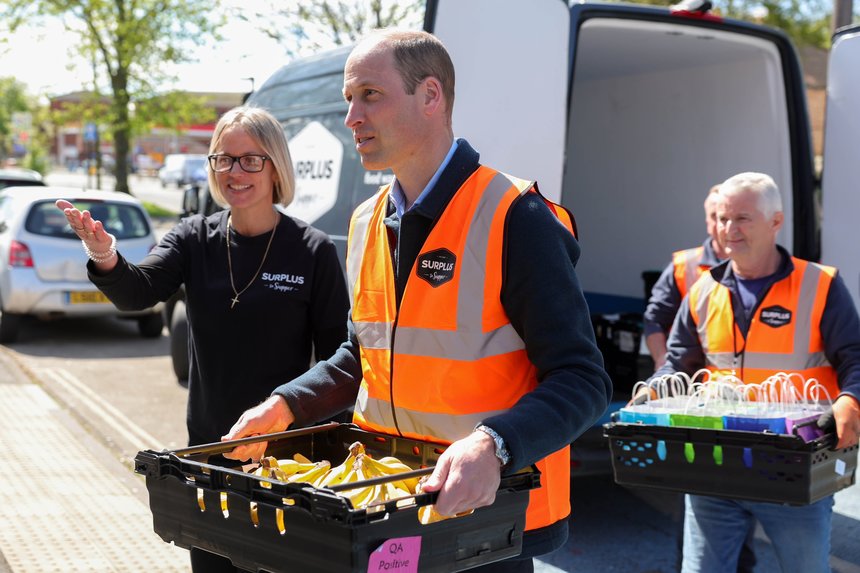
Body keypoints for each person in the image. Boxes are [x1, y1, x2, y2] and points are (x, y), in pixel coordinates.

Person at [222, 29, 612, 572]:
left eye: (370, 95)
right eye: (348, 100)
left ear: (431, 96)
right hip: (388, 509)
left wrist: (494, 444)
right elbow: (365, 355)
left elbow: (584, 380)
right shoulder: (366, 221)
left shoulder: (514, 215)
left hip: (484, 523)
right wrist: (286, 404)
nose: (352, 116)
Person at [56, 106, 350, 573]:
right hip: (209, 459)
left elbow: (340, 361)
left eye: (251, 160)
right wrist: (104, 254)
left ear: (276, 166)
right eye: (223, 159)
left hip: (290, 466)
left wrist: (339, 460)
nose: (235, 172)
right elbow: (138, 290)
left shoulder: (312, 251)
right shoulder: (194, 238)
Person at [652, 172, 860, 573]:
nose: (729, 230)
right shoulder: (702, 291)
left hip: (795, 466)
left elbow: (854, 357)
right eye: (724, 218)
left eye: (743, 219)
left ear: (775, 222)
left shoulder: (819, 286)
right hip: (714, 464)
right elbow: (678, 362)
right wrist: (658, 388)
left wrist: (850, 400)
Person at [644, 184, 728, 370]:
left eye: (726, 216)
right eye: (715, 216)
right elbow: (654, 320)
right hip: (688, 379)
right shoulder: (684, 265)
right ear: (706, 221)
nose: (722, 223)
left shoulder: (755, 267)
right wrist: (661, 360)